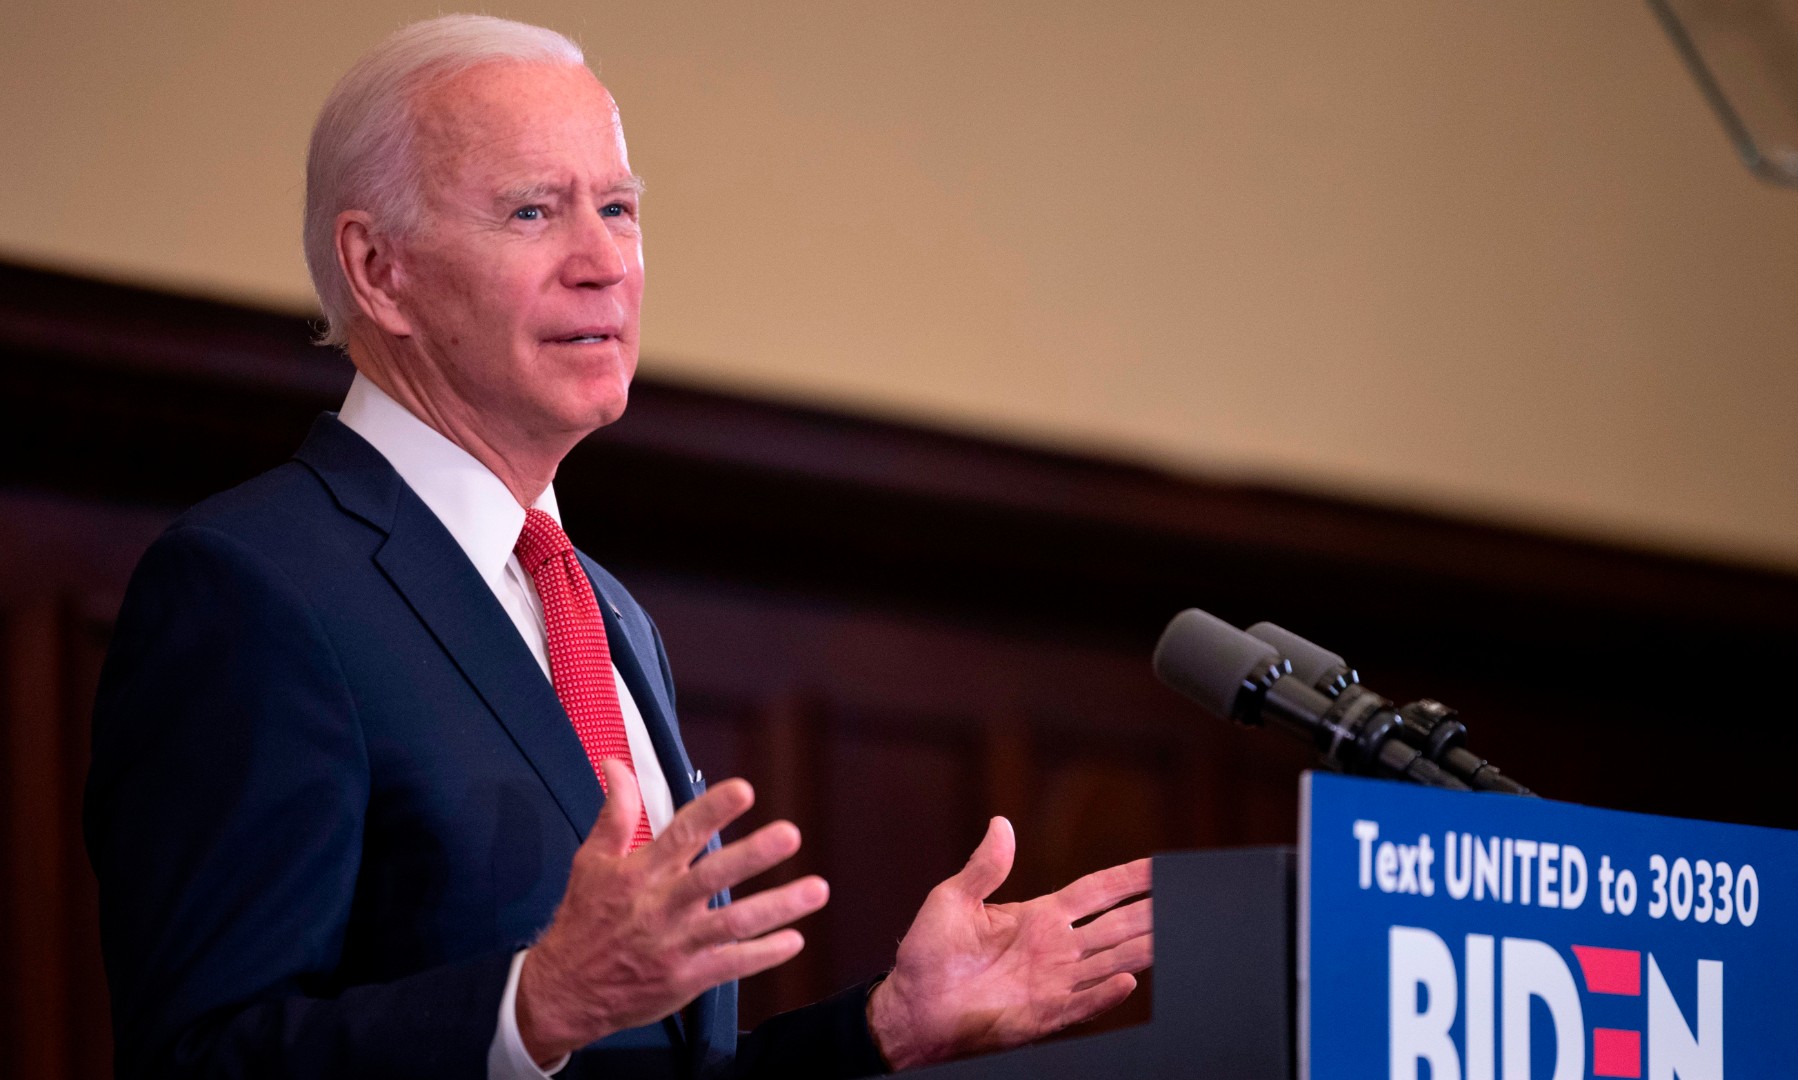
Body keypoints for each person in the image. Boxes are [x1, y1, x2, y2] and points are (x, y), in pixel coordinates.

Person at [82, 14, 1152, 1080]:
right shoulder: (254, 588)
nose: (602, 261)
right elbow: (197, 1058)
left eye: (620, 208)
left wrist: (885, 1030)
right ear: (379, 270)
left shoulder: (602, 611)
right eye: (533, 210)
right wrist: (529, 1010)